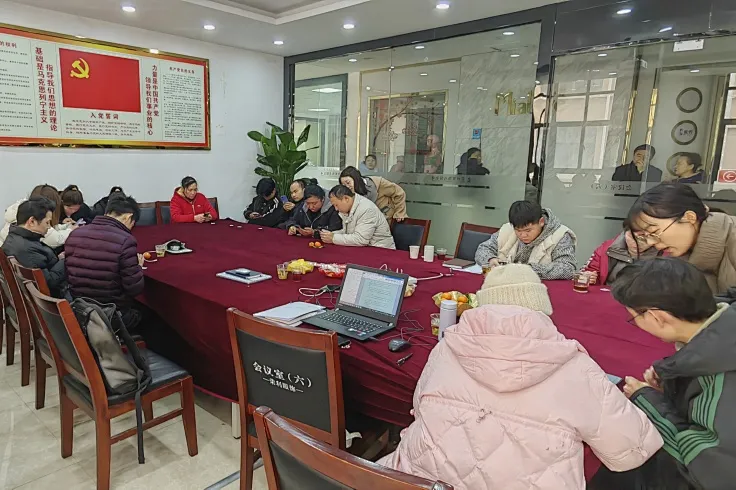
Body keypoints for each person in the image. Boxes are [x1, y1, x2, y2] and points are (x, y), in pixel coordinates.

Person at [379, 264, 663, 490]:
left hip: (416, 481)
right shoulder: (575, 366)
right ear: (541, 309)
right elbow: (633, 450)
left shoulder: (446, 347)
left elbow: (419, 407)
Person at [612, 258, 736, 490]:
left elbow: (703, 468)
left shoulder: (722, 380)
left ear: (658, 317)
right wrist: (674, 384)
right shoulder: (724, 332)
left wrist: (648, 401)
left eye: (634, 318)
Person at [626, 183, 736, 294]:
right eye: (645, 236)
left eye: (654, 232)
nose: (650, 242)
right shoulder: (679, 256)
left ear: (689, 218)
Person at [64, 194, 145, 330]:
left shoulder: (75, 234)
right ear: (128, 217)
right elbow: (134, 289)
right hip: (112, 315)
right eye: (133, 223)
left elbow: (68, 274)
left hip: (80, 311)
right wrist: (137, 268)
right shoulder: (125, 240)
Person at [475, 201, 577, 280]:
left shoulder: (560, 235)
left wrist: (527, 270)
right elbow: (483, 249)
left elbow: (567, 268)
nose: (523, 235)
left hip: (540, 289)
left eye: (528, 230)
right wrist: (491, 259)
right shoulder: (507, 230)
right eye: (518, 230)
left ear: (541, 222)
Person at [2, 198, 67, 298]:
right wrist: (65, 261)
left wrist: (59, 259)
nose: (49, 227)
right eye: (47, 222)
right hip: (51, 301)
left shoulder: (13, 238)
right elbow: (49, 282)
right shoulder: (28, 250)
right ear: (32, 221)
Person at [0, 184, 76, 249]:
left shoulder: (23, 211)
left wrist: (65, 226)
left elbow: (50, 230)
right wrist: (71, 229)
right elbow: (56, 239)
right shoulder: (36, 218)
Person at [319, 185, 395, 249]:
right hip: (366, 248)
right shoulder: (347, 209)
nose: (336, 209)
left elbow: (361, 239)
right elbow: (348, 232)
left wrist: (333, 238)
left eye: (336, 205)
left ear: (346, 199)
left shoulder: (367, 209)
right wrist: (330, 234)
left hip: (381, 249)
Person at [582, 229, 661, 285]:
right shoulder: (607, 248)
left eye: (643, 239)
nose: (636, 243)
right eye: (632, 237)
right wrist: (590, 278)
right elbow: (590, 272)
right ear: (625, 232)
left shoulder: (664, 255)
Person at [339, 166, 407, 221]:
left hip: (388, 220)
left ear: (356, 179)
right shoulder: (349, 194)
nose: (347, 187)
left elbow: (399, 193)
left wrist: (399, 212)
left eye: (348, 183)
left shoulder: (378, 183)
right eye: (343, 185)